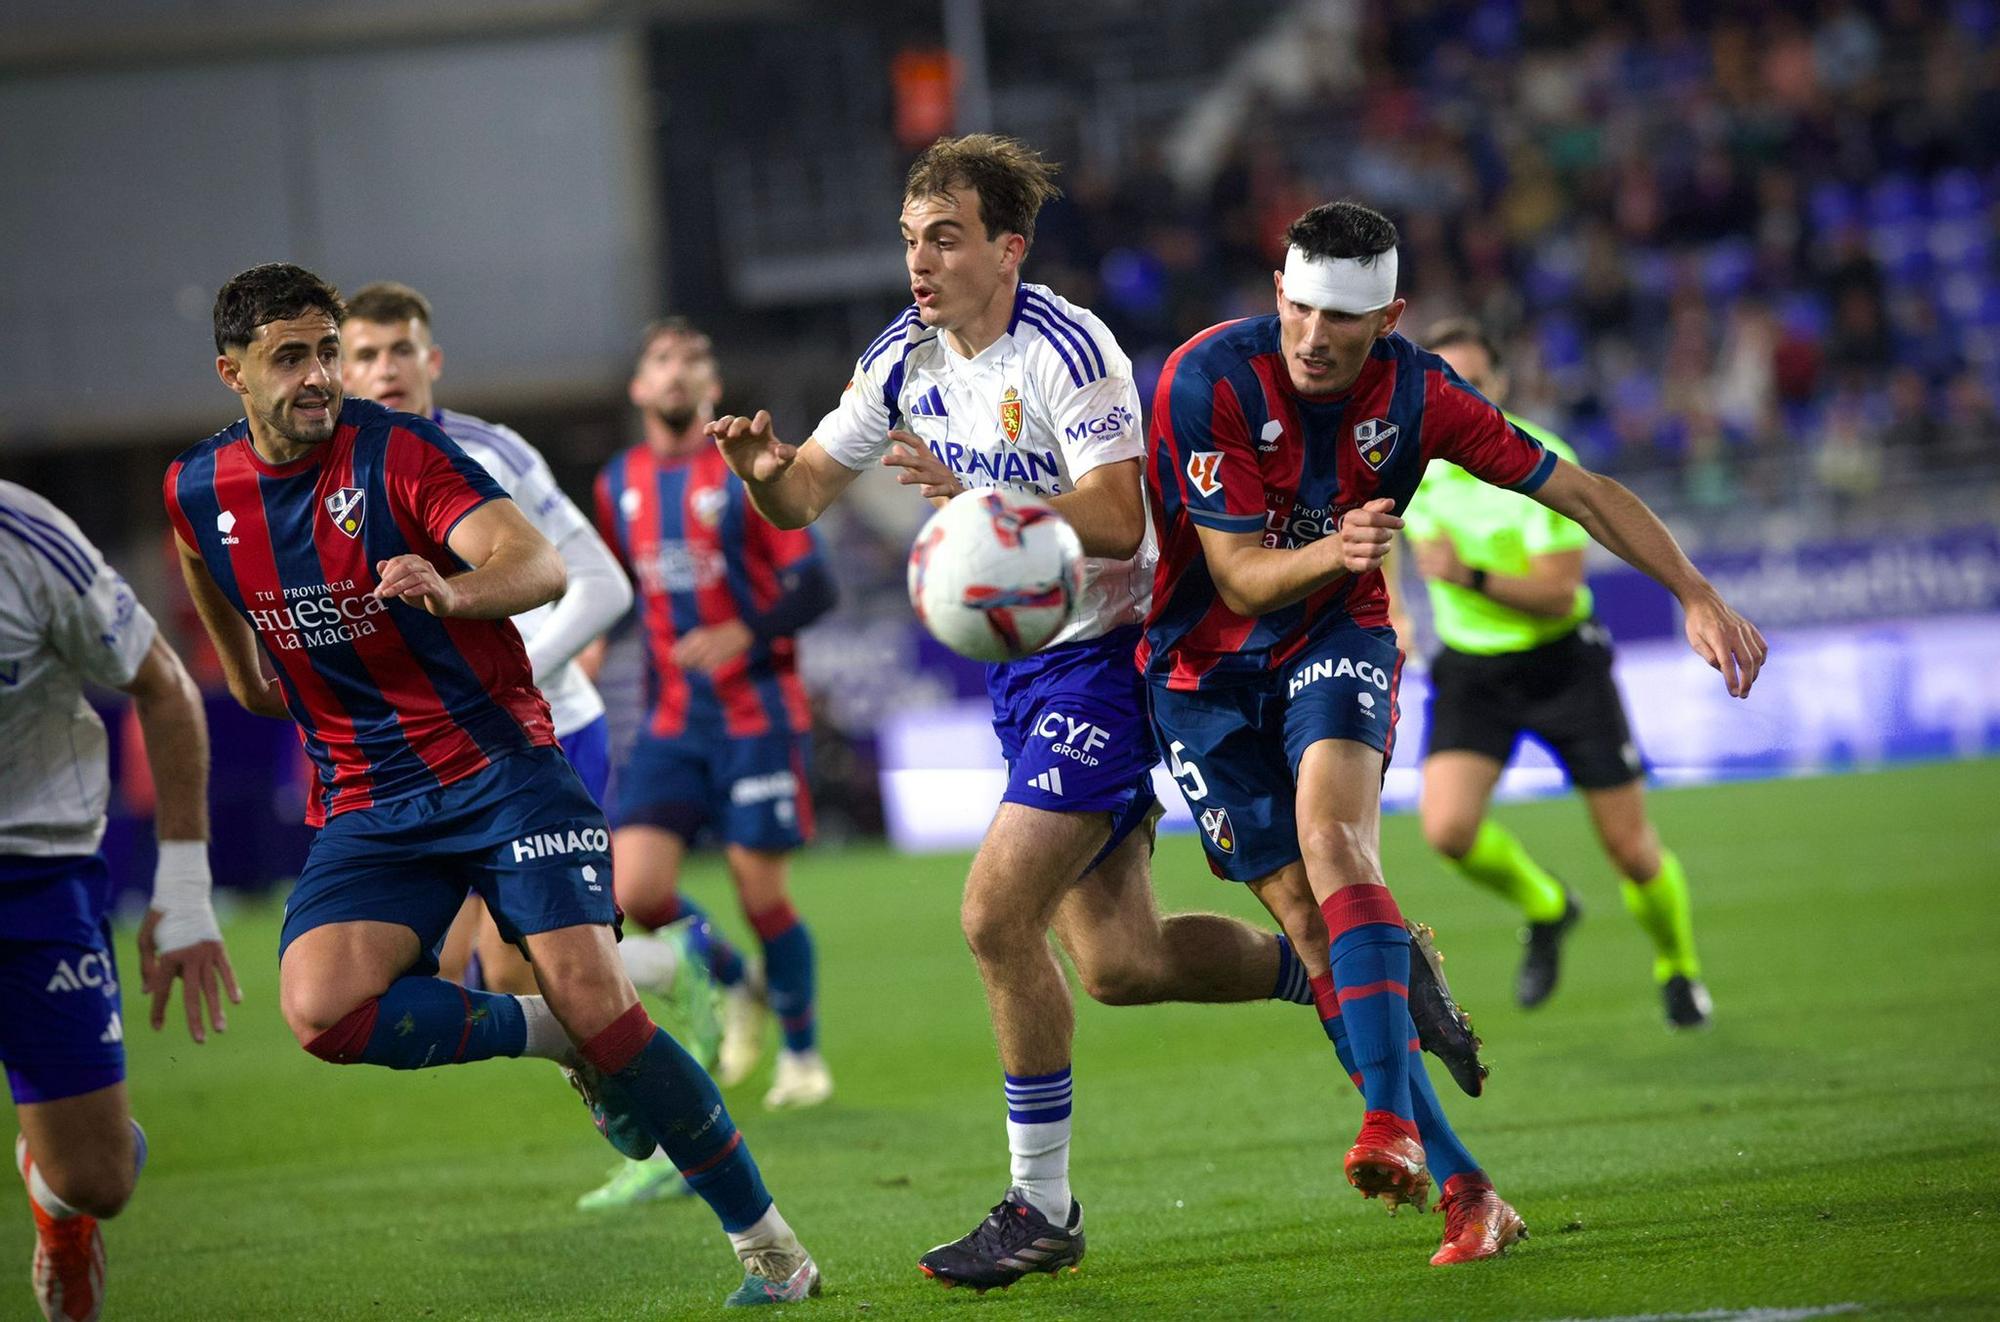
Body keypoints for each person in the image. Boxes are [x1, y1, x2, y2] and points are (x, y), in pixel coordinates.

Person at [707, 133, 1380, 1290]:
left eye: (947, 237)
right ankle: (1340, 964)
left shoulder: (1068, 349)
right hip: (1022, 675)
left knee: (989, 914)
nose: (920, 261)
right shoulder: (903, 356)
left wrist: (980, 497)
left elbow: (1120, 519)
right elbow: (804, 494)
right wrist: (760, 468)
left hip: (1112, 659)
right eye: (911, 238)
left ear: (1008, 248)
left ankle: (1041, 1206)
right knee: (1119, 962)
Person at [164, 263, 819, 1306]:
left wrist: (451, 588)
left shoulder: (404, 452)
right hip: (369, 800)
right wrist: (248, 674)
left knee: (603, 1001)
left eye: (328, 350)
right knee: (323, 1009)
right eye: (293, 357)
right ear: (231, 373)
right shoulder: (199, 484)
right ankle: (549, 1031)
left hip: (501, 768)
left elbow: (541, 567)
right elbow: (201, 553)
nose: (322, 375)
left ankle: (772, 1247)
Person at [1141, 201, 1765, 1266]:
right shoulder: (1208, 379)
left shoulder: (1421, 392)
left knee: (1336, 842)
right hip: (1197, 671)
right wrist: (1341, 542)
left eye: (1340, 314)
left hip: (1336, 636)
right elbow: (1239, 575)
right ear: (1275, 292)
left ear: (1389, 313)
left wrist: (1691, 589)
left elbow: (1578, 489)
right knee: (1306, 928)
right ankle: (1469, 1187)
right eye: (1296, 304)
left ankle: (1386, 1119)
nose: (1310, 334)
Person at [340, 284, 723, 1213]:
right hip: (436, 753)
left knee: (532, 968)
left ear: (434, 361)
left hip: (547, 731)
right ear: (338, 371)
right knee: (499, 972)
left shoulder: (490, 451)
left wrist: (515, 665)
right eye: (365, 355)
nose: (385, 369)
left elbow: (600, 582)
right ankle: (678, 971)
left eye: (402, 350)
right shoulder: (333, 474)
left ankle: (672, 1137)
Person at [1394, 319, 1711, 1027]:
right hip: (1473, 672)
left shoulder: (1537, 461)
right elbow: (1378, 525)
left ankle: (1678, 967)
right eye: (1448, 382)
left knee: (1632, 851)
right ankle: (1548, 906)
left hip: (1563, 666)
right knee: (1447, 830)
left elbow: (1559, 593)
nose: (1461, 395)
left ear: (1501, 387)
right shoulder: (1410, 461)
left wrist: (1466, 575)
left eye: (1476, 382)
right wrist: (1394, 609)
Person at [1, 481, 237, 1322]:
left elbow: (165, 686)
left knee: (99, 1180)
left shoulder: (30, 544)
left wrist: (182, 890)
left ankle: (58, 1215)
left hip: (33, 874)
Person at [593, 318, 836, 1119]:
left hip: (755, 713)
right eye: (662, 360)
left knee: (762, 892)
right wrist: (593, 641)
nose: (678, 373)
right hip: (671, 718)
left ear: (713, 387)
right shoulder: (618, 481)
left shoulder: (749, 471)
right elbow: (621, 588)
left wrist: (744, 631)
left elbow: (815, 588)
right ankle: (739, 983)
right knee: (638, 892)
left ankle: (802, 1056)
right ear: (639, 386)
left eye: (695, 360)